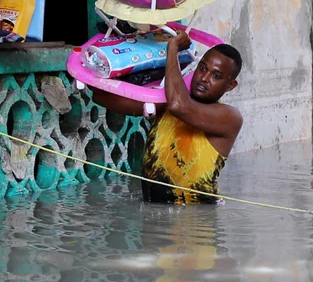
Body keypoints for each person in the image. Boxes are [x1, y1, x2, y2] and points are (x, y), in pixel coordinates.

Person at [92, 30, 243, 204]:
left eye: (216, 76)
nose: (204, 78)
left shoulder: (230, 118)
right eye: (202, 68)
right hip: (154, 215)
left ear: (230, 86)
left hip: (197, 220)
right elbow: (102, 97)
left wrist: (173, 48)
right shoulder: (167, 102)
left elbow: (179, 106)